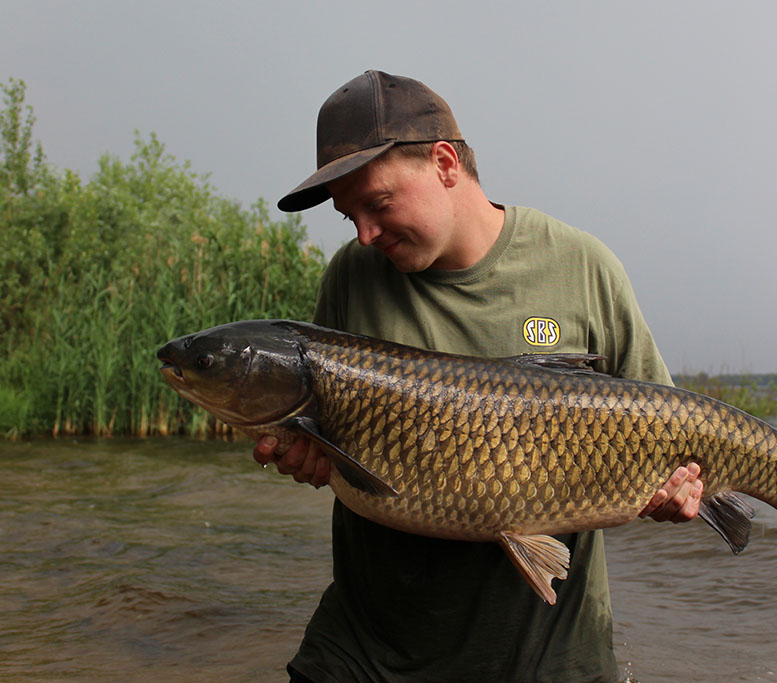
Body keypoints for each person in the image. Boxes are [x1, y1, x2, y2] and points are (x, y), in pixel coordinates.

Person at [253, 70, 704, 683]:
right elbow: (329, 436)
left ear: (445, 163)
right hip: (369, 647)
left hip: (545, 650)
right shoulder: (352, 276)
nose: (364, 233)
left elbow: (673, 431)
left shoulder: (581, 267)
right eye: (348, 215)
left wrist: (681, 491)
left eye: (378, 204)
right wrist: (306, 456)